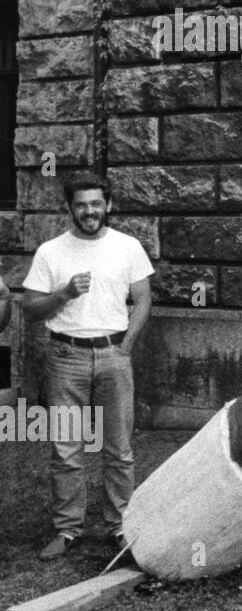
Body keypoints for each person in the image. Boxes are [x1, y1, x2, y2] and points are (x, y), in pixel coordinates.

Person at [21, 179, 154, 560]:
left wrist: (125, 348)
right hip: (66, 357)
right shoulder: (51, 251)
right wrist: (63, 294)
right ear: (70, 209)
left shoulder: (127, 247)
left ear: (108, 205)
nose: (90, 211)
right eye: (82, 205)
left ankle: (120, 526)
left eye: (97, 204)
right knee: (66, 450)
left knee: (119, 449)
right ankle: (68, 530)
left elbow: (143, 300)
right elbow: (29, 309)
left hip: (113, 354)